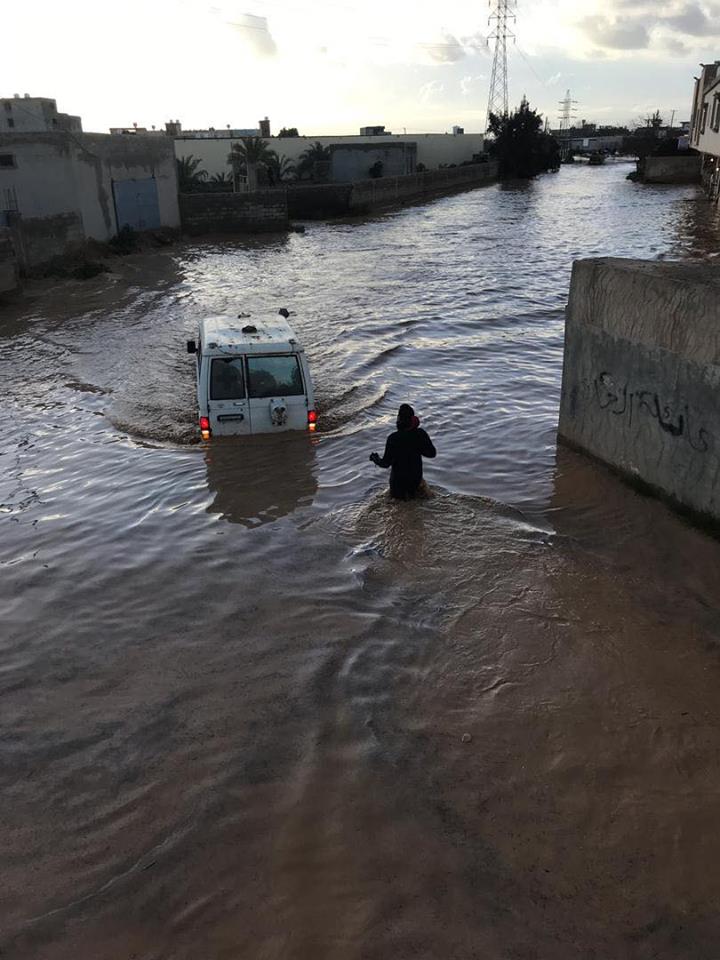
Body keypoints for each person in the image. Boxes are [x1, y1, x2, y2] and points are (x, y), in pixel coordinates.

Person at [370, 404, 436, 500]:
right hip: (415, 481)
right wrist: (418, 447)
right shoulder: (420, 433)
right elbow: (431, 454)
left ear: (398, 419)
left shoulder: (393, 438)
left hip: (398, 484)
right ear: (412, 419)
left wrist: (375, 458)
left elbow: (385, 464)